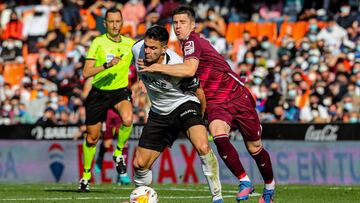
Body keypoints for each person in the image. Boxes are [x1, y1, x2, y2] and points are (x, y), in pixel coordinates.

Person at [138, 6, 275, 203]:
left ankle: (269, 187)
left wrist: (155, 68)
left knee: (255, 148)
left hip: (236, 95)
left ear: (193, 25)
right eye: (175, 23)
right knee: (218, 134)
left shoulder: (192, 42)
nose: (178, 27)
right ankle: (244, 181)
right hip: (214, 101)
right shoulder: (183, 48)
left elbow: (189, 69)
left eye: (182, 22)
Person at [133, 25, 223, 203]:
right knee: (140, 164)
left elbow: (199, 94)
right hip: (159, 111)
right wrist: (140, 81)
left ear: (164, 49)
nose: (147, 51)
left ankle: (217, 198)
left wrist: (202, 117)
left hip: (184, 105)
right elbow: (137, 64)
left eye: (153, 48)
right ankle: (142, 199)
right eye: (147, 46)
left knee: (203, 147)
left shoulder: (178, 66)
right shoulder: (136, 49)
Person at [78, 8, 135, 192]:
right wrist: (106, 65)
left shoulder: (130, 44)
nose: (115, 25)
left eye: (118, 21)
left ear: (122, 22)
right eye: (111, 21)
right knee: (92, 138)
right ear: (105, 23)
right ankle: (86, 176)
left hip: (119, 91)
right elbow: (86, 72)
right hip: (98, 93)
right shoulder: (98, 42)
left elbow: (146, 57)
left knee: (128, 119)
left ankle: (118, 153)